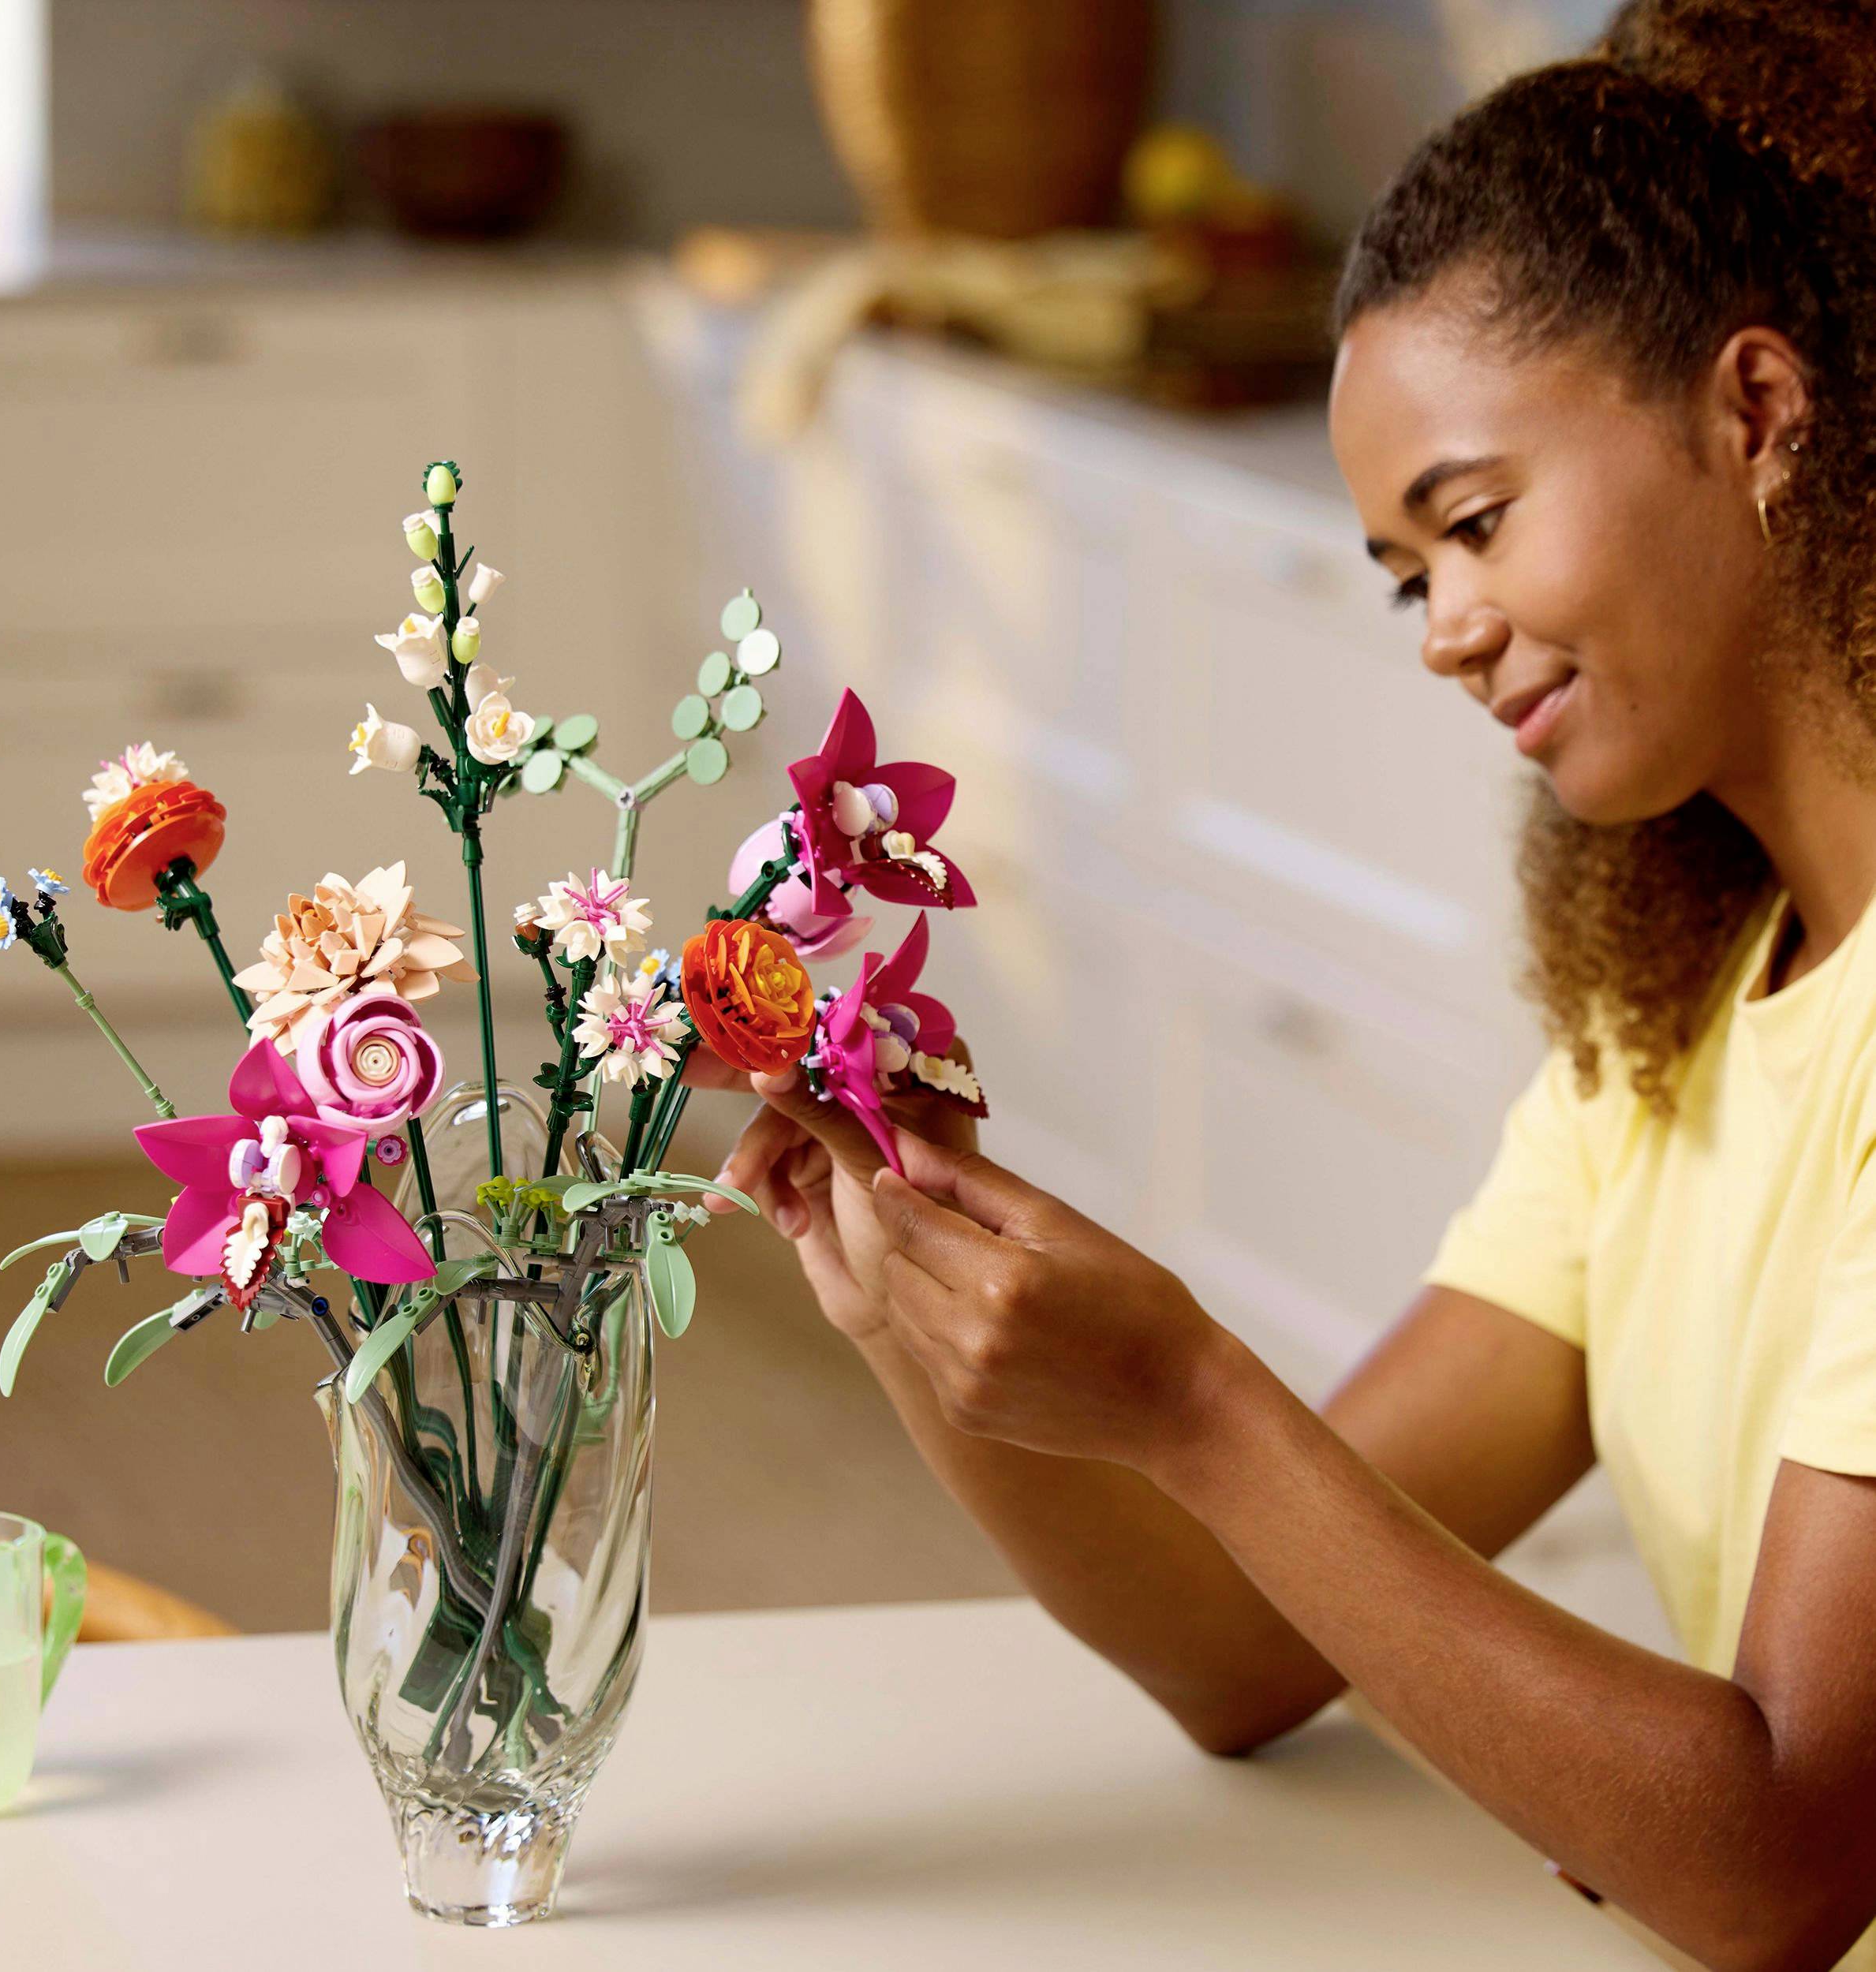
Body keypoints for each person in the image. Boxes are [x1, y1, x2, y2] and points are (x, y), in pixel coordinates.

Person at [694, 4, 1876, 1965]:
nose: (1440, 631)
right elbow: (1238, 1638)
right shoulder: (1670, 1016)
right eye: (1408, 574)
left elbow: (1776, 1851)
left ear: (1753, 411)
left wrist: (1189, 1391)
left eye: (1474, 522)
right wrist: (914, 1274)